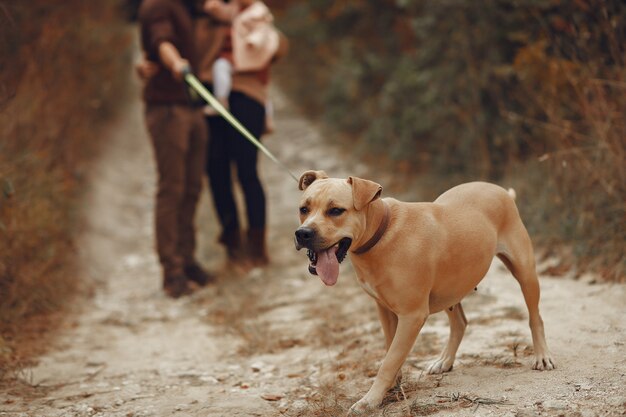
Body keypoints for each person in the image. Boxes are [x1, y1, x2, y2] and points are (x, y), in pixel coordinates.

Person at [195, 1, 288, 269]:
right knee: (216, 171)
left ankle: (257, 247)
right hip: (211, 98)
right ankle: (233, 244)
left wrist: (264, 42)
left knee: (247, 172)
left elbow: (279, 45)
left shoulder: (251, 14)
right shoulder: (201, 20)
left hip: (249, 97)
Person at [138, 0, 214, 297]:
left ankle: (187, 259)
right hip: (168, 109)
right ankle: (172, 272)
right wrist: (176, 64)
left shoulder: (188, 6)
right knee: (172, 188)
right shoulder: (158, 5)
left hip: (190, 107)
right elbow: (162, 41)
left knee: (192, 187)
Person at [203, 0, 279, 133]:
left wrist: (253, 42)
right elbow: (225, 14)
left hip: (249, 55)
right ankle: (221, 99)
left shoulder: (258, 11)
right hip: (236, 59)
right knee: (221, 67)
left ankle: (268, 118)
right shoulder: (235, 8)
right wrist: (215, 9)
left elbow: (262, 31)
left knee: (262, 90)